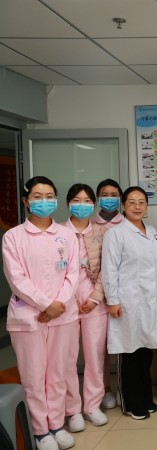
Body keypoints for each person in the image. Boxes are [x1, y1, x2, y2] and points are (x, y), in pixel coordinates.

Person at [2, 176, 79, 450]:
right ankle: (40, 431)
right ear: (26, 201)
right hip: (29, 316)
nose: (44, 201)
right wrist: (46, 304)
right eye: (37, 196)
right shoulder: (13, 237)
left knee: (58, 373)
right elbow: (16, 278)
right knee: (34, 376)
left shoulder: (67, 235)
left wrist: (58, 304)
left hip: (63, 315)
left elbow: (73, 273)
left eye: (49, 196)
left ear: (56, 199)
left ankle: (56, 424)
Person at [101, 186, 157, 420]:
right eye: (132, 202)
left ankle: (145, 397)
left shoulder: (152, 232)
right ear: (123, 205)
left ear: (147, 206)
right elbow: (109, 270)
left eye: (141, 202)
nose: (137, 206)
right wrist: (112, 301)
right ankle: (130, 403)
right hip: (127, 302)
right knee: (129, 353)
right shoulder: (116, 234)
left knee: (145, 352)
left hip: (150, 301)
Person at [62, 184, 110, 431]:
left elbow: (108, 269)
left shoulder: (103, 232)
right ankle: (72, 410)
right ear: (68, 203)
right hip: (66, 305)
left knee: (95, 357)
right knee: (67, 359)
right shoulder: (58, 232)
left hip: (95, 304)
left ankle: (92, 405)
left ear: (94, 204)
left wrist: (94, 298)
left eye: (87, 200)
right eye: (77, 200)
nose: (82, 205)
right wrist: (67, 300)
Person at [91, 178, 123, 410]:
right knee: (99, 349)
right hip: (96, 297)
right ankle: (104, 389)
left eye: (114, 195)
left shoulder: (128, 223)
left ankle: (122, 387)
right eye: (104, 194)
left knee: (122, 345)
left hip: (122, 295)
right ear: (97, 198)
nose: (109, 198)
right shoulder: (90, 225)